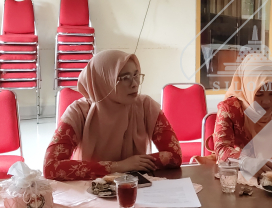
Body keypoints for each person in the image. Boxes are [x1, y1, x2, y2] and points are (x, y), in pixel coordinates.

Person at [43, 50, 182, 181]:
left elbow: (174, 155)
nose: (134, 84)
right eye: (125, 78)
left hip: (134, 187)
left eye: (136, 75)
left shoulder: (145, 105)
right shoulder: (79, 112)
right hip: (91, 188)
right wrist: (119, 166)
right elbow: (51, 167)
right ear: (103, 82)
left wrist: (137, 164)